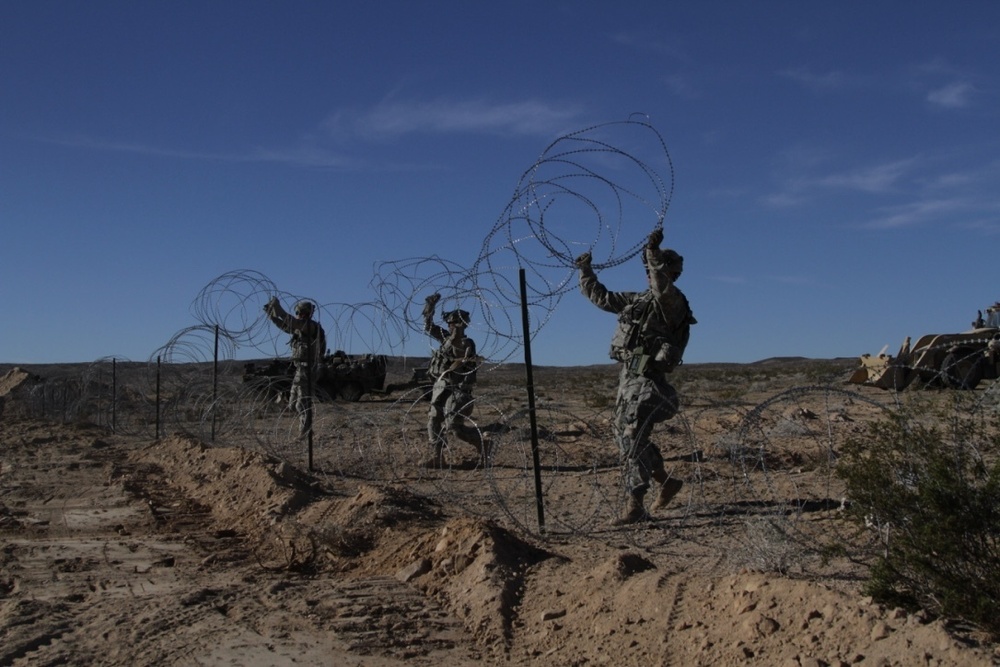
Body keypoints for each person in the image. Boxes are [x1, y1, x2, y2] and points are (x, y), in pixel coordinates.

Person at [575, 228, 697, 524]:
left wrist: (652, 252)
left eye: (654, 268)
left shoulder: (673, 303)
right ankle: (666, 482)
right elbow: (601, 297)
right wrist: (585, 270)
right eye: (647, 269)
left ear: (670, 273)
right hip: (628, 379)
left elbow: (660, 284)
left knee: (630, 435)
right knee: (625, 436)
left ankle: (634, 504)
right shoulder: (637, 301)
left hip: (650, 383)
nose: (649, 273)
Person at [420, 292, 486, 468]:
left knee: (454, 428)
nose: (450, 326)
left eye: (454, 323)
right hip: (442, 386)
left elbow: (458, 347)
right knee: (433, 420)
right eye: (449, 323)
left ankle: (484, 445)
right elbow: (428, 326)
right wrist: (430, 307)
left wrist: (456, 331)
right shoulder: (445, 337)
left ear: (463, 324)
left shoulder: (467, 342)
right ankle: (437, 456)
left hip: (459, 390)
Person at [264, 297, 327, 437]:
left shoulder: (311, 327)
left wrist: (278, 308)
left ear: (302, 312)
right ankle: (306, 429)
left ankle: (306, 433)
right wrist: (271, 315)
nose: (297, 314)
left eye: (298, 312)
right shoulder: (301, 329)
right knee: (292, 404)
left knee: (301, 403)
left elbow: (291, 321)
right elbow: (285, 326)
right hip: (301, 369)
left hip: (308, 369)